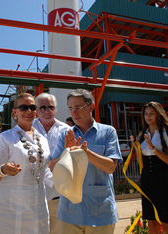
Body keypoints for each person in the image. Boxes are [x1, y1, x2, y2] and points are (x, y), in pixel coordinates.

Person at [50, 89, 122, 234]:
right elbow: (52, 167)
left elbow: (110, 167)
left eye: (78, 107)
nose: (74, 112)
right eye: (70, 108)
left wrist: (86, 154)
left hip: (100, 212)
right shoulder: (66, 135)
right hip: (69, 212)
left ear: (92, 107)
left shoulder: (108, 132)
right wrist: (66, 152)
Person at [0, 93, 50, 234]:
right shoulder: (5, 138)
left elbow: (47, 173)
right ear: (14, 112)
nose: (28, 111)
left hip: (36, 206)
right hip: (8, 209)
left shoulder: (43, 140)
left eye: (32, 107)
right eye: (23, 107)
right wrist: (3, 170)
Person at [130, 101, 168, 234]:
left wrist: (153, 149)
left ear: (158, 114)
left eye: (152, 113)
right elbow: (142, 163)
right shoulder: (142, 135)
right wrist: (137, 149)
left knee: (167, 224)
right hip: (147, 182)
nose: (148, 116)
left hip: (163, 182)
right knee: (151, 223)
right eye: (146, 113)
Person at [33, 93, 70, 234]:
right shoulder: (27, 130)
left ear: (56, 109)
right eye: (42, 107)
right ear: (36, 110)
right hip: (33, 197)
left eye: (50, 107)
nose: (47, 111)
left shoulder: (66, 131)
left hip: (58, 197)